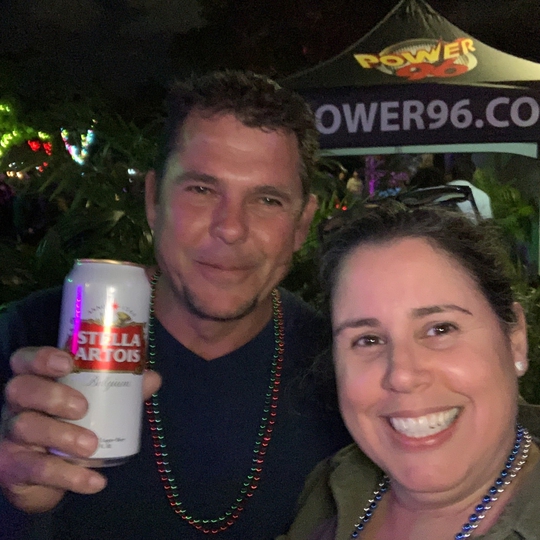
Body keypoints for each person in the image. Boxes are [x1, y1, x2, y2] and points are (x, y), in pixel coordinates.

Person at [0, 70, 352, 539]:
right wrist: (13, 497)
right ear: (153, 200)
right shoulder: (26, 341)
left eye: (268, 200)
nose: (231, 228)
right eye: (201, 190)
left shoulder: (346, 372)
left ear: (302, 224)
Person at [280, 203, 540, 540]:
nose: (402, 375)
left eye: (440, 329)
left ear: (515, 339)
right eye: (368, 339)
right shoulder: (334, 486)